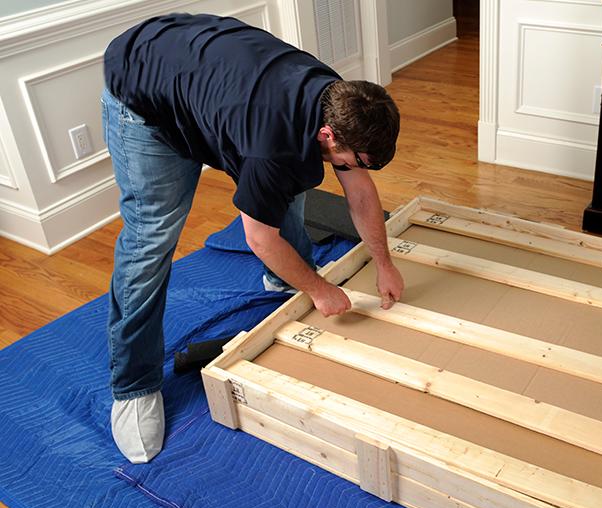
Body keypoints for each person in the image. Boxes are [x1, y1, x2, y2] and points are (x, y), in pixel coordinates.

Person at [101, 13, 404, 464]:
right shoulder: (272, 145)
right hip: (144, 94)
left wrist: (385, 263)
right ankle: (133, 385)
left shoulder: (339, 101)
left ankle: (284, 281)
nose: (361, 168)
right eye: (358, 158)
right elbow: (259, 236)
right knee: (151, 238)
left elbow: (357, 187)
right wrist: (320, 289)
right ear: (327, 133)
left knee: (287, 188)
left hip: (204, 75)